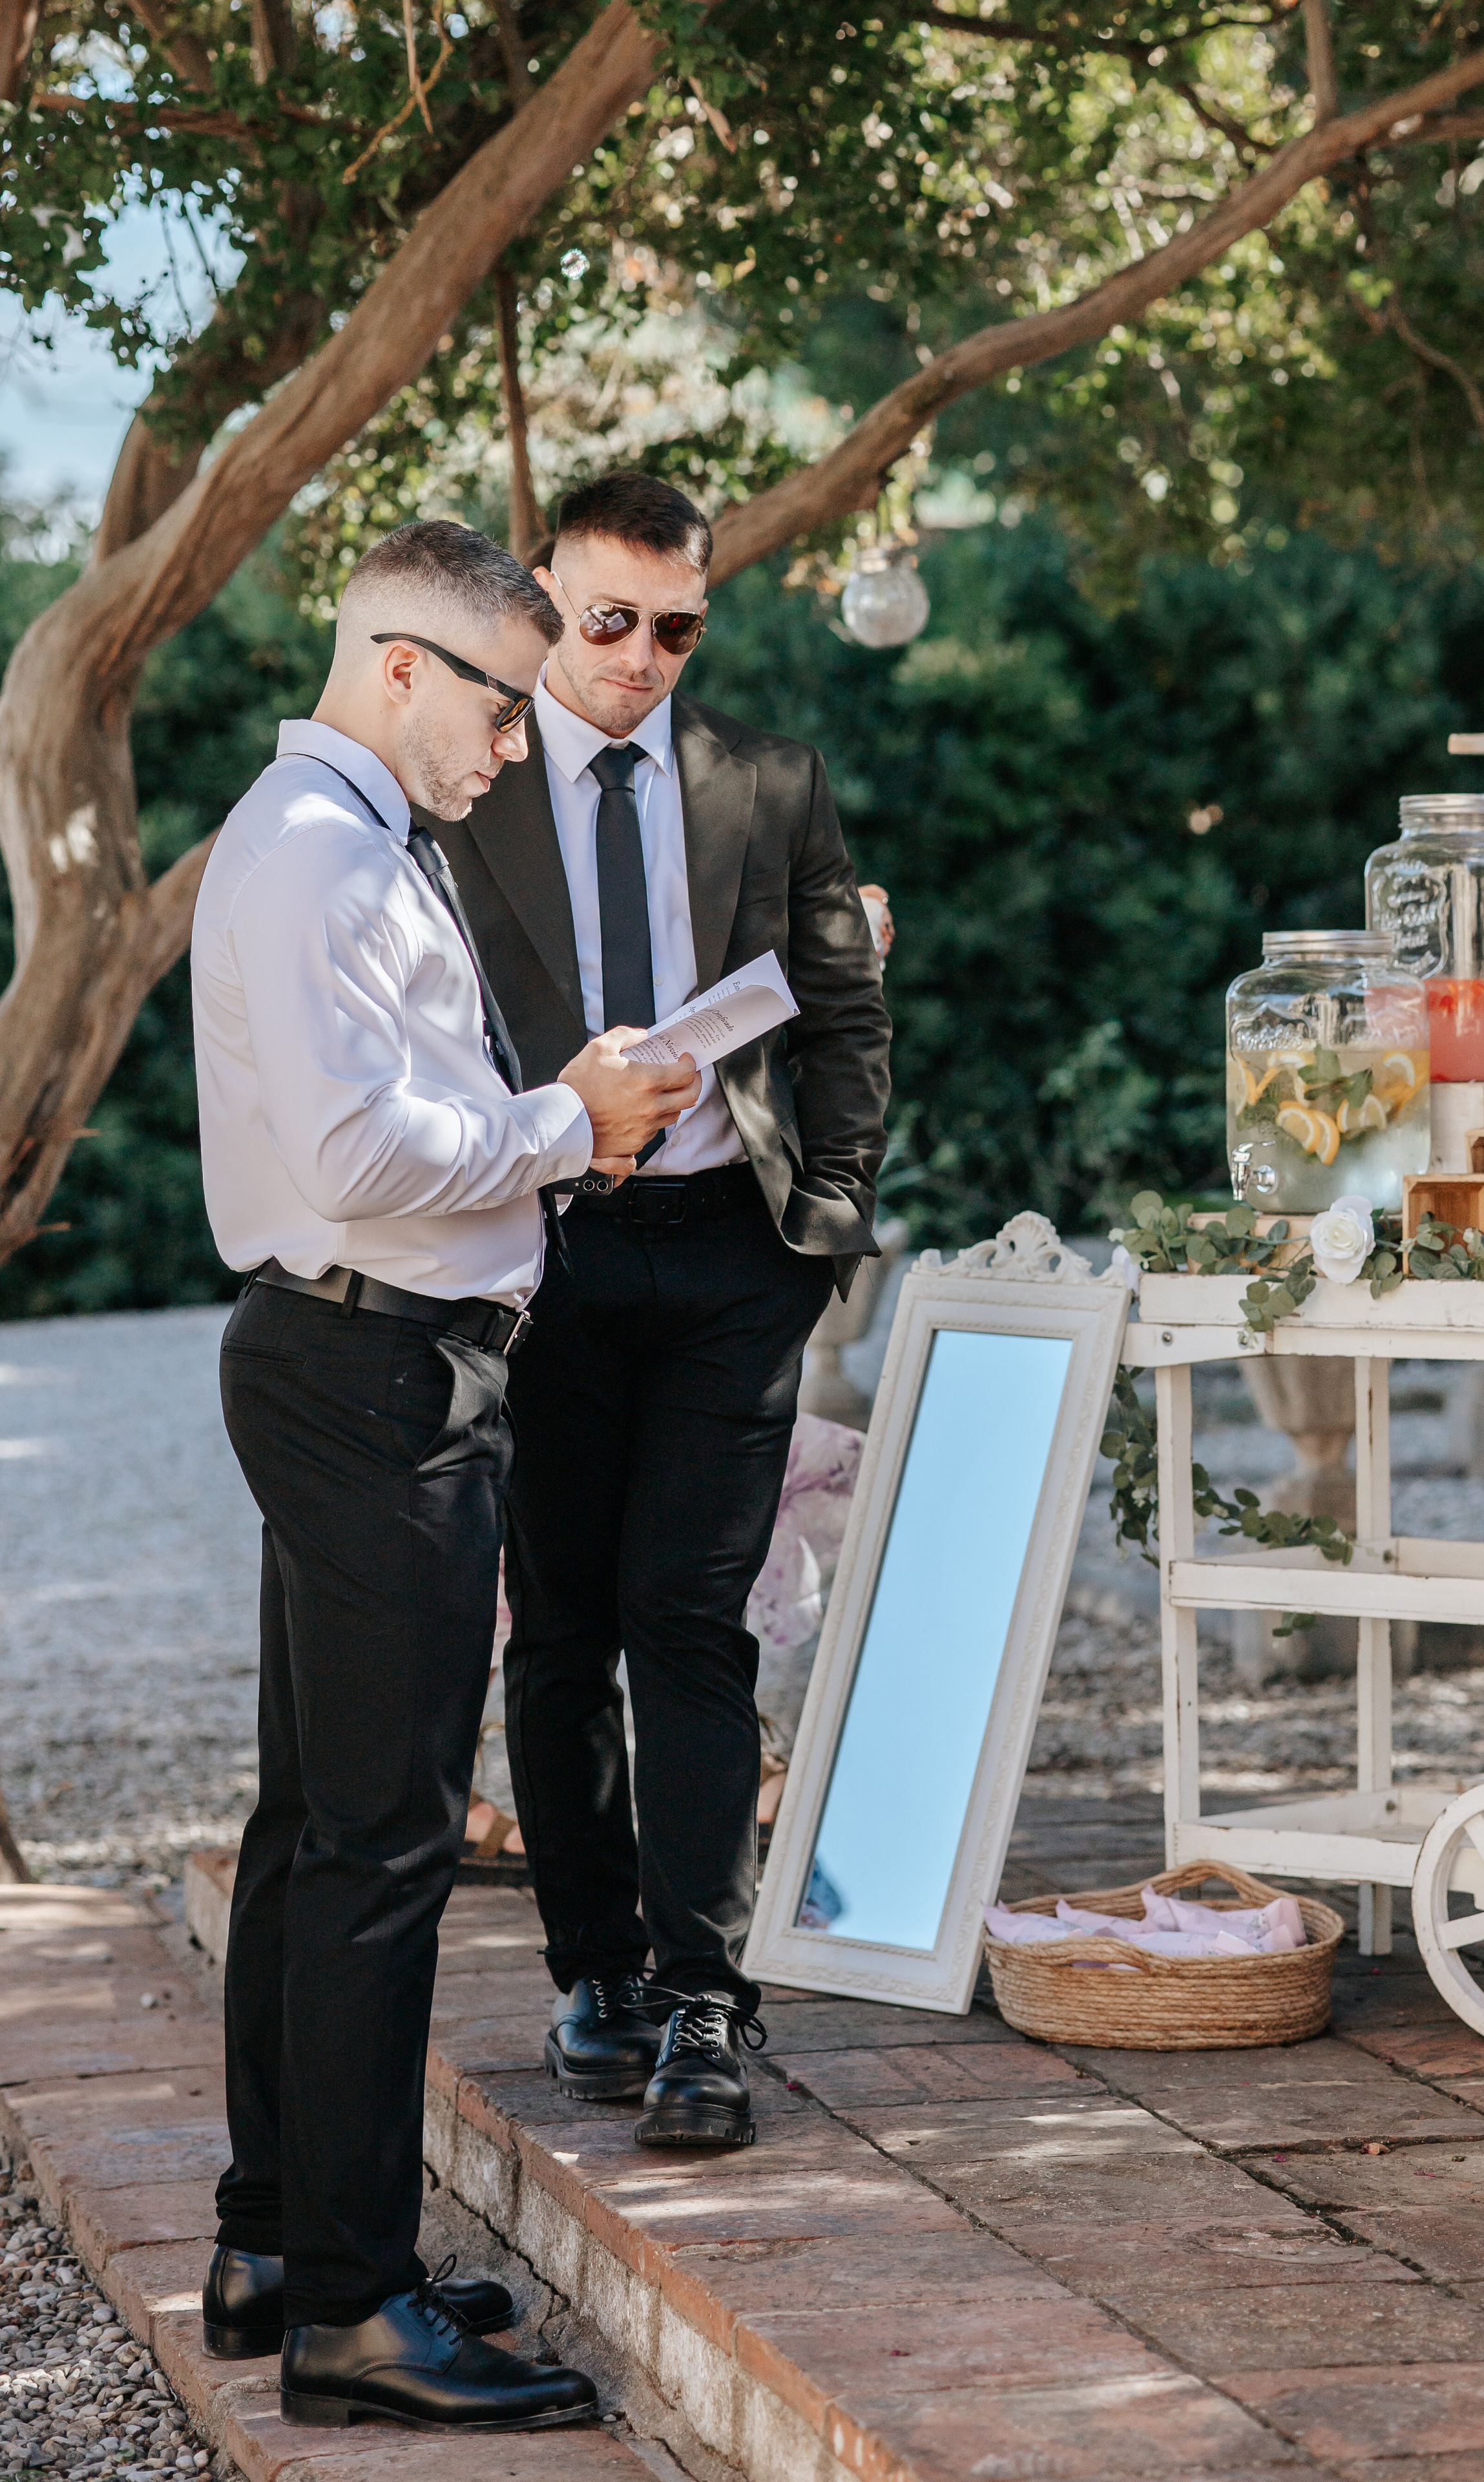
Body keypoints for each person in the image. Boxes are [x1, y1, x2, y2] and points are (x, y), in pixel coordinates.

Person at [190, 518, 698, 2432]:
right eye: (508, 691)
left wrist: (552, 1117)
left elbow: (390, 1127)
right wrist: (576, 1119)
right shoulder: (323, 848)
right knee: (385, 1848)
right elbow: (357, 1152)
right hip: (377, 1372)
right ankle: (354, 2305)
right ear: (402, 665)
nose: (523, 734)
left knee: (314, 1824)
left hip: (347, 1355)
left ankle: (272, 2242)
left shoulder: (325, 838)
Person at [427, 472, 890, 2151]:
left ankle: (707, 2000)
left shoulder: (769, 784)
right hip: (536, 1250)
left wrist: (818, 1233)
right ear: (550, 594)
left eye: (674, 625)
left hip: (723, 1263)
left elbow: (844, 1009)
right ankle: (596, 1970)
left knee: (693, 1624)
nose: (636, 656)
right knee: (558, 1634)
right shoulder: (461, 789)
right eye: (607, 618)